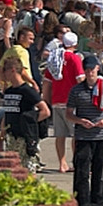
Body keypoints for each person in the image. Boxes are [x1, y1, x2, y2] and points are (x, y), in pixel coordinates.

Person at [66, 54, 103, 206]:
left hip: (102, 136)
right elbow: (69, 113)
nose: (90, 73)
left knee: (101, 172)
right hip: (83, 135)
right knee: (81, 172)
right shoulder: (76, 90)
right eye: (87, 70)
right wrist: (80, 121)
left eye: (92, 69)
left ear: (98, 68)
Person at [0, 55, 51, 172]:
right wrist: (1, 140)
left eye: (5, 70)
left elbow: (45, 111)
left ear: (12, 70)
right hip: (11, 136)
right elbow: (6, 115)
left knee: (27, 169)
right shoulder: (8, 91)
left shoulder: (27, 90)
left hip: (25, 137)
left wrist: (29, 122)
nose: (3, 74)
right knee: (11, 170)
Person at [43, 31, 84, 172]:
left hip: (56, 100)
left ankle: (62, 163)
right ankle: (77, 163)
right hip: (72, 102)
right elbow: (80, 79)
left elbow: (47, 82)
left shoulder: (54, 58)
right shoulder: (74, 58)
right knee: (76, 135)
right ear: (75, 44)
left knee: (60, 135)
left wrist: (46, 100)